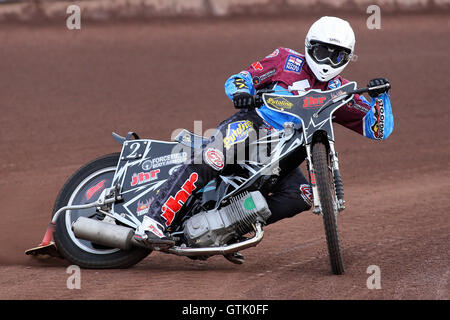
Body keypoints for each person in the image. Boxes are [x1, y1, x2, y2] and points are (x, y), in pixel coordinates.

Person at [133, 16, 394, 254]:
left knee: (302, 195)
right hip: (254, 126)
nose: (327, 60)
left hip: (285, 157)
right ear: (308, 46)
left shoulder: (340, 92)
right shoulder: (285, 60)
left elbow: (378, 129)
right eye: (322, 50)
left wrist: (381, 97)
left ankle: (227, 231)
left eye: (336, 55)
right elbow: (240, 78)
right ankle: (153, 222)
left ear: (347, 58)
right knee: (211, 157)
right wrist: (241, 92)